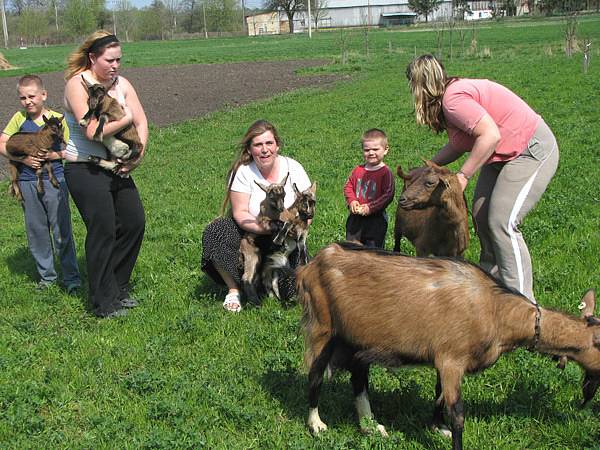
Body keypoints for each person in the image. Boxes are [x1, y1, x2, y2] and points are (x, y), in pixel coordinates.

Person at [406, 54, 559, 302]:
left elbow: (489, 136)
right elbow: (458, 144)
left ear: (420, 84)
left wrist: (464, 175)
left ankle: (522, 305)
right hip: (504, 155)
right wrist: (426, 168)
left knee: (502, 221)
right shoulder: (450, 99)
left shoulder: (453, 99)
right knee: (480, 214)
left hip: (531, 149)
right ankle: (492, 287)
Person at [63, 30, 148, 318]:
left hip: (116, 166)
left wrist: (139, 153)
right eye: (109, 60)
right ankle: (103, 301)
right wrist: (125, 118)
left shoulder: (122, 84)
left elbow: (142, 118)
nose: (115, 66)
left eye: (119, 60)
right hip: (84, 166)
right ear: (92, 58)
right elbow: (92, 132)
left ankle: (117, 287)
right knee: (103, 229)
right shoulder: (78, 85)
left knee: (134, 222)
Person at [201, 120, 312, 313]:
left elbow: (307, 208)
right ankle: (234, 289)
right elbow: (240, 213)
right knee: (216, 230)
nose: (264, 150)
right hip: (252, 235)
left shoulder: (293, 168)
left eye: (269, 143)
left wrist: (296, 228)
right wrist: (267, 228)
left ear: (277, 145)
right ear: (250, 149)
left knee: (292, 293)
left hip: (287, 240)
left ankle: (267, 282)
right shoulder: (243, 171)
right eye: (258, 145)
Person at [0, 75, 81, 293]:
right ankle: (47, 277)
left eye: (32, 96)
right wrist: (21, 159)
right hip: (27, 182)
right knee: (36, 230)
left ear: (43, 95)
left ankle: (71, 277)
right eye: (22, 98)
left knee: (61, 229)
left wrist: (52, 156)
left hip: (54, 181)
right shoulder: (19, 118)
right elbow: (3, 144)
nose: (27, 101)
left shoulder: (57, 118)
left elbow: (73, 148)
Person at [343, 128, 395, 248]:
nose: (371, 153)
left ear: (386, 149)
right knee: (351, 248)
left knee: (373, 251)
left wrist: (370, 208)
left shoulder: (385, 172)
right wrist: (352, 201)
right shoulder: (358, 170)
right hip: (355, 218)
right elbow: (348, 186)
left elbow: (388, 194)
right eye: (367, 150)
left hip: (376, 219)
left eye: (375, 149)